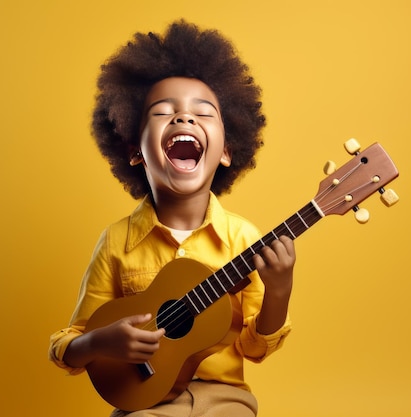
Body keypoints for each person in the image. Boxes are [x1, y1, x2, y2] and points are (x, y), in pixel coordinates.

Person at [49, 20, 295, 417]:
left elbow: (254, 348)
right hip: (142, 401)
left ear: (227, 151)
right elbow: (68, 342)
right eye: (164, 113)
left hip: (225, 399)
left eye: (203, 113)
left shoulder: (243, 238)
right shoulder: (116, 242)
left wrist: (279, 291)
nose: (184, 119)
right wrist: (100, 343)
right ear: (135, 151)